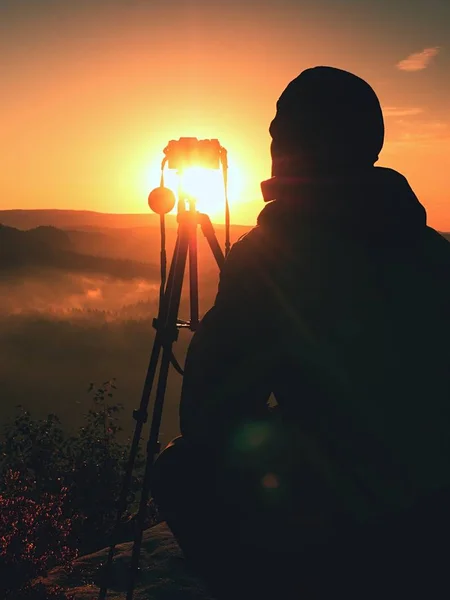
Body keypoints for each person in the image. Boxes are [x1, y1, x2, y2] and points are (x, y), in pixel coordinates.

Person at [151, 66, 450, 598]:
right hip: (431, 497)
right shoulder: (433, 251)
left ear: (293, 147)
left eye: (279, 135)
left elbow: (209, 416)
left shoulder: (273, 257)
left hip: (348, 514)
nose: (273, 146)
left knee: (182, 471)